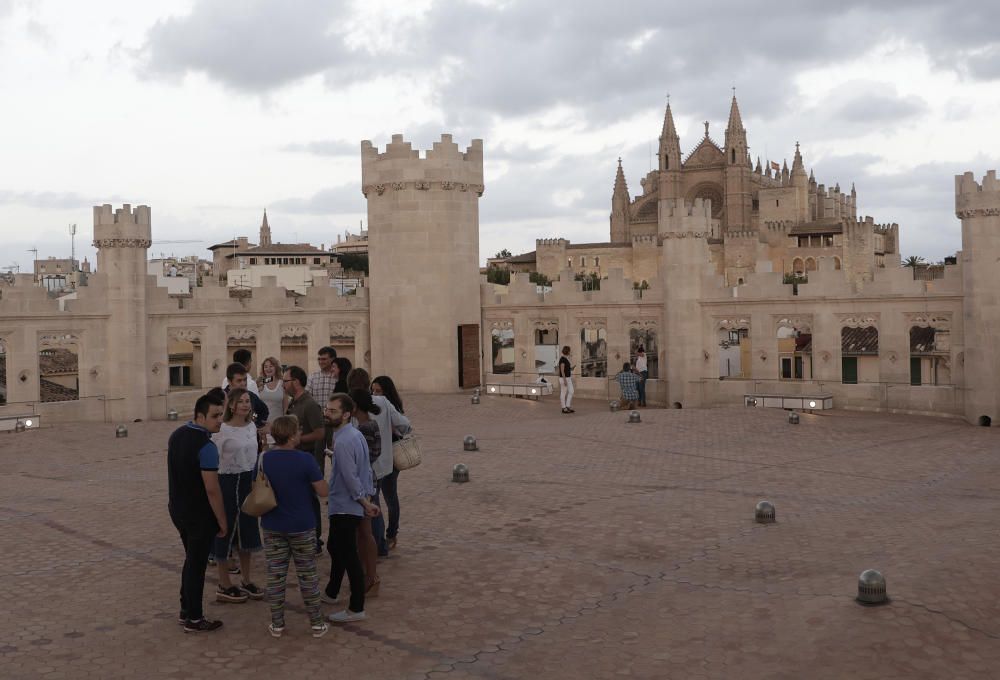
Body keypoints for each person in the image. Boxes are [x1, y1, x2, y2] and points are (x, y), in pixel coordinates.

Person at [259, 415, 329, 639]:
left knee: (276, 576)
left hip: (272, 524)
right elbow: (323, 491)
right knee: (308, 575)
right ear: (290, 435)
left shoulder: (263, 459)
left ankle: (277, 624)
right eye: (298, 431)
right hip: (302, 525)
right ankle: (317, 624)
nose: (300, 433)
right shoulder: (306, 460)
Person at [167, 391, 227, 633]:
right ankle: (194, 617)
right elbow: (212, 490)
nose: (219, 420)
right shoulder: (207, 447)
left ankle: (186, 610)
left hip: (178, 510)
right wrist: (222, 521)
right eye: (215, 416)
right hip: (198, 516)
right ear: (200, 416)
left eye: (221, 415)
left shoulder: (176, 435)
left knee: (191, 561)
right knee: (197, 566)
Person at [323, 393, 381, 623]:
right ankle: (332, 591)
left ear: (346, 414)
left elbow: (350, 476)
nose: (327, 413)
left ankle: (356, 607)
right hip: (348, 503)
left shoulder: (346, 440)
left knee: (348, 555)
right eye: (327, 409)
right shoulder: (351, 435)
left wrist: (363, 500)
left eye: (333, 411)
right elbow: (362, 469)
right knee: (336, 547)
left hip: (345, 506)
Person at [347, 368, 409, 557]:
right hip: (384, 463)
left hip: (363, 467)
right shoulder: (382, 401)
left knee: (371, 505)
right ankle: (381, 541)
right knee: (380, 502)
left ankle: (377, 545)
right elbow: (405, 424)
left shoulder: (349, 404)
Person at [211, 388, 263, 604]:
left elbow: (256, 454)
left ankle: (246, 578)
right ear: (231, 405)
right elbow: (213, 462)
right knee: (225, 530)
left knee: (247, 529)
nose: (245, 404)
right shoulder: (221, 430)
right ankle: (224, 582)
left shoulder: (252, 426)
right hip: (227, 481)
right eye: (240, 401)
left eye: (247, 401)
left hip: (247, 481)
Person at [283, 365, 327, 552]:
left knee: (310, 500)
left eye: (286, 381)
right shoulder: (294, 403)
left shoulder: (309, 404)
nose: (283, 385)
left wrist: (297, 439)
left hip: (307, 457)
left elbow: (320, 433)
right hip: (294, 457)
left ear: (296, 382)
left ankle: (315, 540)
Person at [348, 388, 381, 596]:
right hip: (368, 479)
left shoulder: (364, 428)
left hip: (363, 483)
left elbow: (365, 456)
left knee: (365, 533)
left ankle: (371, 576)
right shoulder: (368, 424)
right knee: (362, 533)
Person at [371, 375, 406, 551]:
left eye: (379, 391)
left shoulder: (391, 407)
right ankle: (378, 536)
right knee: (375, 497)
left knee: (390, 496)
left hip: (391, 457)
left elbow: (404, 427)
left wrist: (391, 427)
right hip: (377, 457)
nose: (375, 394)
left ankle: (391, 533)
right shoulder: (372, 407)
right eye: (373, 391)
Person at [225, 363, 269, 431]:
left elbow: (264, 411)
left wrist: (255, 422)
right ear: (229, 381)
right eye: (239, 380)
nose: (243, 383)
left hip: (250, 436)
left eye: (245, 379)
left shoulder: (251, 396)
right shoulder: (220, 397)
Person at [258, 356, 285, 420]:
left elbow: (285, 406)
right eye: (265, 367)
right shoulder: (260, 383)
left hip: (278, 424)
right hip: (262, 424)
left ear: (276, 368)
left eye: (271, 366)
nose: (268, 369)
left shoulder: (282, 384)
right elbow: (255, 407)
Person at [558, 345, 575, 414]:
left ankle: (567, 406)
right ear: (567, 351)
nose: (570, 352)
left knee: (571, 391)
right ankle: (563, 408)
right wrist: (564, 380)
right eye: (570, 351)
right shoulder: (562, 359)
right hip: (564, 378)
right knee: (563, 393)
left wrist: (571, 368)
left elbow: (566, 369)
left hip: (568, 378)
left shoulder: (566, 358)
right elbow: (562, 371)